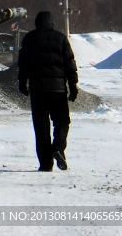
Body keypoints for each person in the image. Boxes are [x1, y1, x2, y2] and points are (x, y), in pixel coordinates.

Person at [17, 10, 78, 172]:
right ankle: (58, 147)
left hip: (37, 92)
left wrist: (22, 83)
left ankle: (45, 164)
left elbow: (23, 64)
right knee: (62, 122)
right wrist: (73, 87)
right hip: (58, 91)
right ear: (52, 23)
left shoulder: (29, 38)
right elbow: (70, 65)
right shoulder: (61, 39)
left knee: (41, 128)